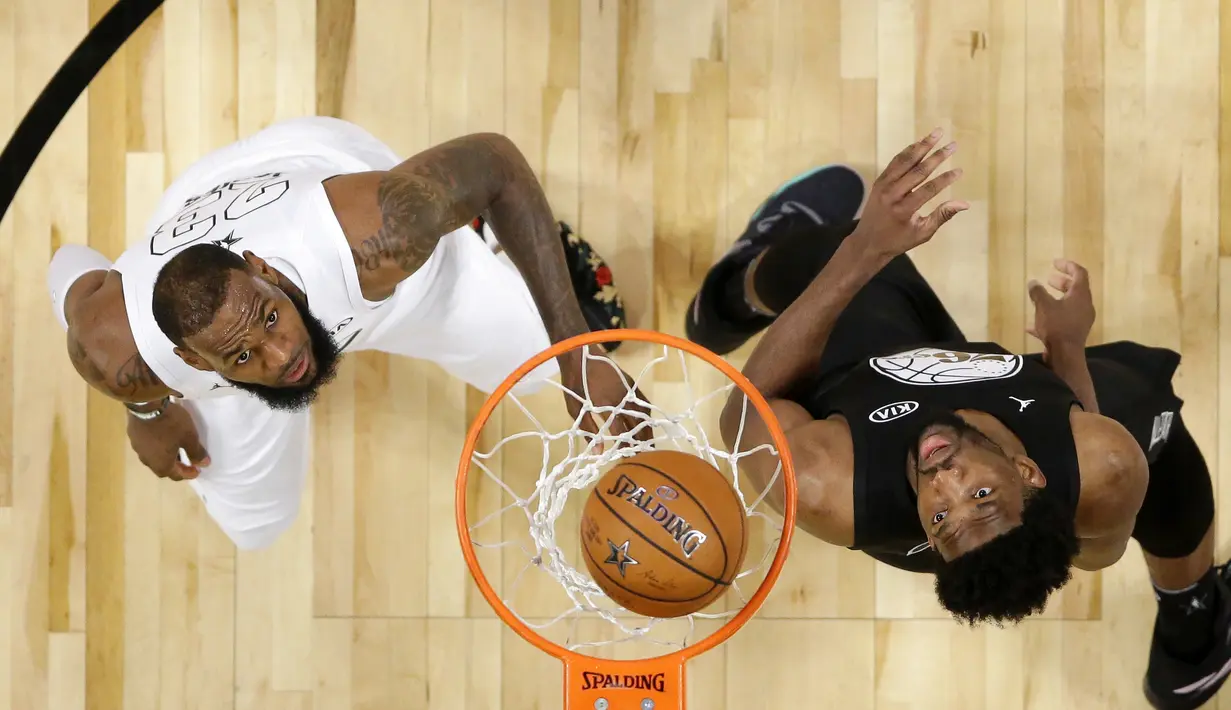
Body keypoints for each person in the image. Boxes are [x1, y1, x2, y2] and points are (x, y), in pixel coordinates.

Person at [685, 129, 1229, 710]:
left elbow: (746, 407)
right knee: (1150, 427)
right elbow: (1099, 550)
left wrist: (866, 246)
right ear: (1029, 471)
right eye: (982, 494)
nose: (941, 478)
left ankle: (721, 304)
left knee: (820, 252)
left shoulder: (827, 482)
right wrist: (1066, 348)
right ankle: (1193, 607)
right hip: (1000, 385)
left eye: (941, 517)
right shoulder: (1102, 467)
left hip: (867, 379)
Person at [49, 116, 644, 551]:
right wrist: (150, 412)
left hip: (325, 171)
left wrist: (577, 352)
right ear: (193, 364)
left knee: (544, 366)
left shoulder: (373, 239)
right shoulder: (128, 358)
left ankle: (475, 230)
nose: (284, 357)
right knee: (255, 527)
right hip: (201, 211)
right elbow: (68, 273)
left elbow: (497, 162)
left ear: (265, 270)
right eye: (243, 355)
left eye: (271, 320)